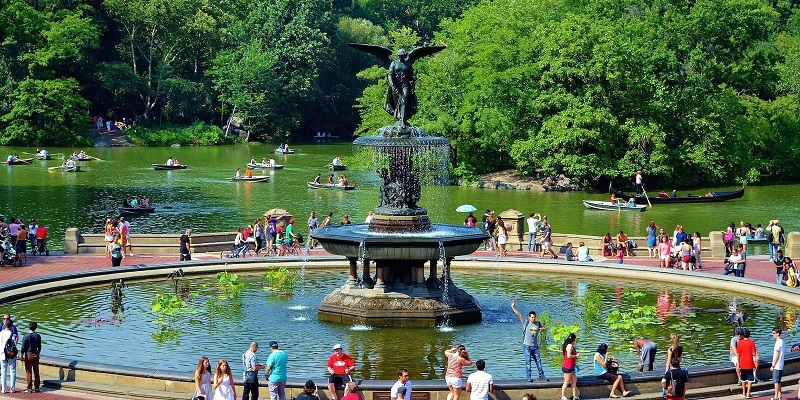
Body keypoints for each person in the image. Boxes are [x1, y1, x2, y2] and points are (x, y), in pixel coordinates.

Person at [511, 300, 548, 382]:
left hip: (535, 346)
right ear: (529, 317)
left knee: (538, 361)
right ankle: (528, 377)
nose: (533, 318)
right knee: (528, 362)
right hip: (527, 346)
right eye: (532, 317)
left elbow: (543, 328)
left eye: (534, 317)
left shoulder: (538, 323)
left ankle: (541, 375)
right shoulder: (526, 322)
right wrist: (513, 307)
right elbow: (519, 315)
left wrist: (542, 329)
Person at [736, 328, 758, 399]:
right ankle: (748, 393)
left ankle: (743, 393)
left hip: (742, 363)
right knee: (750, 379)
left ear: (743, 335)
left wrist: (738, 362)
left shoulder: (740, 343)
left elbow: (738, 354)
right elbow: (754, 353)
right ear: (749, 335)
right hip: (750, 363)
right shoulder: (751, 342)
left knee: (743, 379)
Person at [20, 321, 41, 393]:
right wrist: (38, 353)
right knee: (36, 371)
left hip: (28, 355)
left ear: (29, 327)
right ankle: (37, 387)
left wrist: (22, 355)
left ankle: (29, 388)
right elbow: (39, 346)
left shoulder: (26, 336)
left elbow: (23, 347)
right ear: (36, 328)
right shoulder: (38, 336)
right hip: (36, 354)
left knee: (28, 372)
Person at [560, 333, 579, 400]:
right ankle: (563, 396)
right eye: (575, 340)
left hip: (571, 366)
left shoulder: (569, 345)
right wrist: (576, 356)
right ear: (573, 340)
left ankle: (574, 396)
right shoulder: (569, 346)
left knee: (574, 380)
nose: (575, 341)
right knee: (567, 381)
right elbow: (568, 356)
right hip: (567, 366)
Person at [0, 318, 17, 394]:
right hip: (11, 355)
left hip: (2, 354)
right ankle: (12, 388)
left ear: (5, 325)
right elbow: (15, 344)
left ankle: (4, 389)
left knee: (3, 372)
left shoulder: (1, 333)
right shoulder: (12, 334)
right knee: (12, 371)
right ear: (11, 326)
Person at [770, 328, 784, 400]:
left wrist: (773, 365)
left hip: (777, 366)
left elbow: (777, 355)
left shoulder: (778, 343)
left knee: (775, 381)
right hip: (781, 365)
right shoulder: (782, 341)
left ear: (777, 334)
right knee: (778, 381)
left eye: (773, 333)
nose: (772, 334)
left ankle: (775, 396)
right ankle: (779, 395)